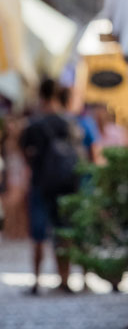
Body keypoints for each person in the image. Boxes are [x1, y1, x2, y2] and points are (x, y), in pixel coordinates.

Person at [19, 78, 84, 294]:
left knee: (38, 234)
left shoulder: (33, 125)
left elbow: (25, 154)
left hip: (40, 183)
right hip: (65, 184)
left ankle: (36, 281)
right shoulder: (68, 122)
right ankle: (64, 279)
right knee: (63, 232)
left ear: (40, 95)